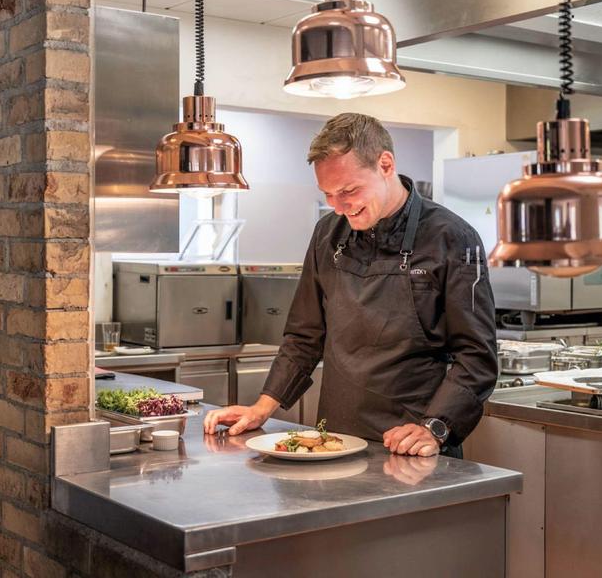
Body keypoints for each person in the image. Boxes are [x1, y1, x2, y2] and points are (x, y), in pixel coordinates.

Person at [203, 113, 498, 458]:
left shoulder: (453, 238)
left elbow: (477, 357)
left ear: (385, 165)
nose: (339, 207)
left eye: (349, 191)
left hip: (412, 445)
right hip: (334, 441)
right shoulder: (327, 234)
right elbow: (304, 336)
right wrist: (262, 407)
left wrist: (435, 427)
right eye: (328, 194)